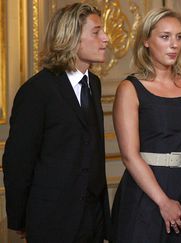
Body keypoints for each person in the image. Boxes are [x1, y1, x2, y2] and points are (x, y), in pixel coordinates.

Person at [2, 3, 110, 243]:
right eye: (96, 31)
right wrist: (21, 218)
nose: (106, 38)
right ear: (71, 37)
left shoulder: (94, 84)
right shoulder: (36, 91)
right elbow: (17, 161)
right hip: (52, 220)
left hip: (92, 219)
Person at [110, 8, 181, 243]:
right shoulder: (129, 89)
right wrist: (163, 202)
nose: (174, 44)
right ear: (146, 41)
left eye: (179, 36)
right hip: (145, 193)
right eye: (165, 37)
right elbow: (129, 156)